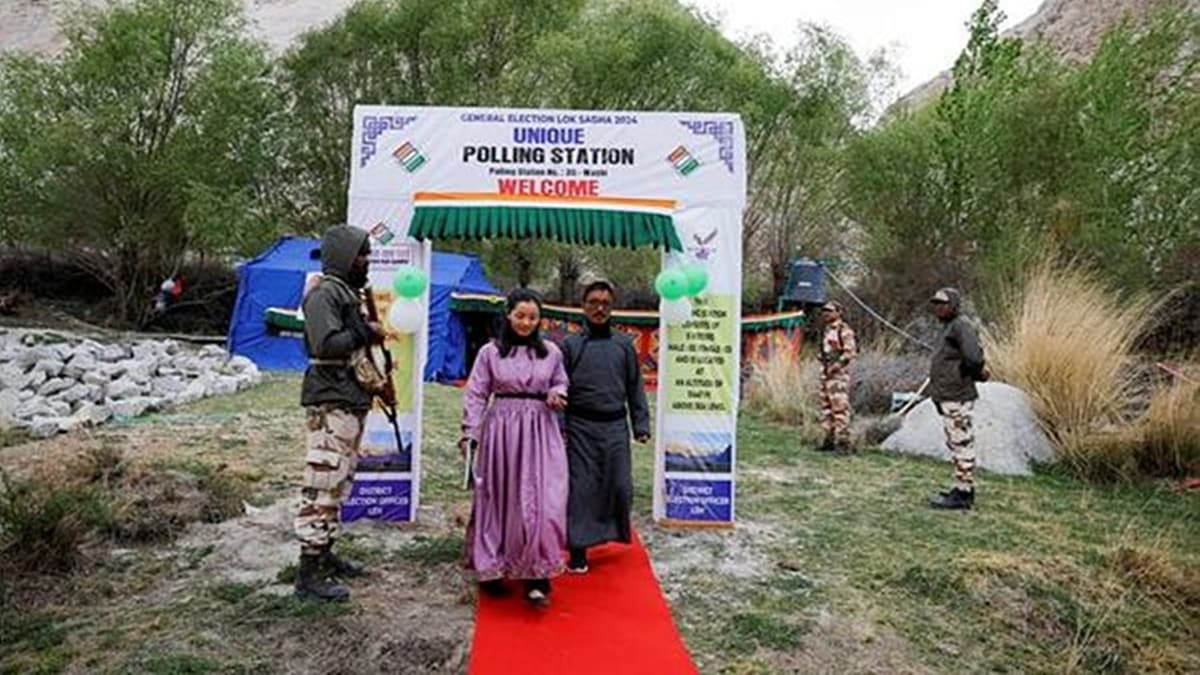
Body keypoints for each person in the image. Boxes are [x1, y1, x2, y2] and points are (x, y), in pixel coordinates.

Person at [460, 288, 569, 607]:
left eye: (533, 317)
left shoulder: (551, 352)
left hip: (540, 429)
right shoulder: (490, 352)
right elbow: (476, 392)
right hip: (502, 430)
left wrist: (557, 393)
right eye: (520, 315)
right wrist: (471, 430)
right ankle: (493, 567)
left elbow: (560, 381)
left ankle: (538, 574)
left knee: (543, 501)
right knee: (499, 496)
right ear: (508, 315)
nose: (526, 322)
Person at [293, 225, 383, 602]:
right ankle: (308, 573)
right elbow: (325, 343)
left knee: (339, 481)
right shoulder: (324, 293)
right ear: (346, 257)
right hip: (331, 400)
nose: (367, 261)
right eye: (362, 254)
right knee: (323, 481)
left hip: (348, 398)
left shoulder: (345, 293)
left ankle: (325, 554)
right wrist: (367, 332)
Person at [560, 280, 650, 574]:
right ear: (583, 306)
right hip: (580, 427)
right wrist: (561, 427)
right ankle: (578, 550)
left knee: (619, 487)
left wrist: (640, 424)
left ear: (612, 307)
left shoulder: (624, 345)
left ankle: (607, 535)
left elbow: (635, 387)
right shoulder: (570, 346)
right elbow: (559, 390)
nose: (599, 308)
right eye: (593, 302)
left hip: (614, 427)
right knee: (581, 490)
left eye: (605, 303)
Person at [926, 288, 987, 510]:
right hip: (948, 394)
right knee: (956, 442)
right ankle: (961, 487)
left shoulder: (961, 325)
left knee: (962, 443)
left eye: (943, 303)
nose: (939, 307)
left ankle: (963, 494)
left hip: (957, 394)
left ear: (954, 305)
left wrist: (970, 373)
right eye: (936, 303)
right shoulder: (948, 326)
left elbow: (974, 357)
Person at [816, 301, 857, 453]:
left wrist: (837, 366)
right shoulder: (826, 330)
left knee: (839, 409)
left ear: (839, 312)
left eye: (830, 311)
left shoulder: (843, 330)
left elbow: (849, 353)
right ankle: (828, 440)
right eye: (824, 311)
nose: (826, 313)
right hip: (825, 372)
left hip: (838, 375)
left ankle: (843, 443)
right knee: (826, 408)